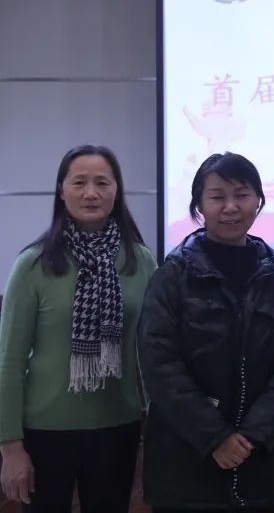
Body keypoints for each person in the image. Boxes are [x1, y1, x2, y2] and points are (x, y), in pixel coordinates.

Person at [138, 152, 274, 512]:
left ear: (258, 200)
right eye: (217, 196)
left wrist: (253, 434)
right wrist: (215, 437)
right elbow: (159, 364)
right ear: (199, 205)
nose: (230, 207)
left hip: (259, 458)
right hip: (184, 460)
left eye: (242, 195)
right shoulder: (172, 276)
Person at [0, 145, 156, 512]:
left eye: (102, 183)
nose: (91, 193)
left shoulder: (140, 261)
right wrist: (10, 446)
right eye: (79, 182)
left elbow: (152, 354)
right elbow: (9, 362)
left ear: (116, 191)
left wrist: (160, 425)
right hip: (44, 431)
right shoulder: (33, 264)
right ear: (61, 190)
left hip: (117, 426)